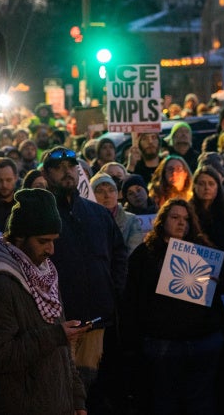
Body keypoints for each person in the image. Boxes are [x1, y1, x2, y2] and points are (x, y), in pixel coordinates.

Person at [0, 188, 87, 415]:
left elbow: (64, 351)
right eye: (43, 241)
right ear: (19, 237)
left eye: (54, 241)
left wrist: (77, 399)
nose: (51, 250)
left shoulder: (45, 274)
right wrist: (56, 335)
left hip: (57, 402)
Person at [120, 198, 224, 414]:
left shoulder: (202, 249)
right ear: (162, 220)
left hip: (202, 340)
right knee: (164, 401)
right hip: (164, 343)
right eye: (175, 217)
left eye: (186, 219)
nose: (181, 223)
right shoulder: (145, 253)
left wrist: (214, 277)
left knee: (200, 402)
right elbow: (133, 298)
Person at [42, 147, 128, 399]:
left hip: (96, 320)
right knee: (59, 390)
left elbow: (119, 255)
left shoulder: (97, 213)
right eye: (59, 168)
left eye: (71, 167)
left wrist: (113, 291)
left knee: (90, 388)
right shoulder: (41, 216)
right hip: (56, 324)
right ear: (47, 174)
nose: (66, 172)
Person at [91, 173, 145, 254]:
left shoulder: (131, 220)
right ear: (92, 195)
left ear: (117, 193)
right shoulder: (85, 220)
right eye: (100, 191)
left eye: (111, 190)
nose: (107, 195)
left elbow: (134, 253)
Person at [190, 166, 224, 251]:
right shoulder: (187, 212)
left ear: (218, 187)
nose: (206, 188)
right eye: (201, 183)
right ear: (194, 187)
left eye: (211, 184)